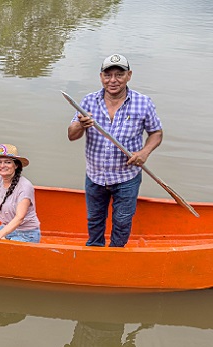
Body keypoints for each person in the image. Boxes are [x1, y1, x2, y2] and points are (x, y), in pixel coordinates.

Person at [67, 54, 163, 247]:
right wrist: (81, 125)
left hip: (127, 177)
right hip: (95, 176)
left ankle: (116, 254)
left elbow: (156, 133)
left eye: (119, 75)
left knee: (122, 222)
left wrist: (144, 152)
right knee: (94, 220)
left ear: (129, 75)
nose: (113, 80)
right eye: (108, 75)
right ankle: (94, 251)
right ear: (101, 76)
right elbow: (71, 135)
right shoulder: (88, 102)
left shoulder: (143, 103)